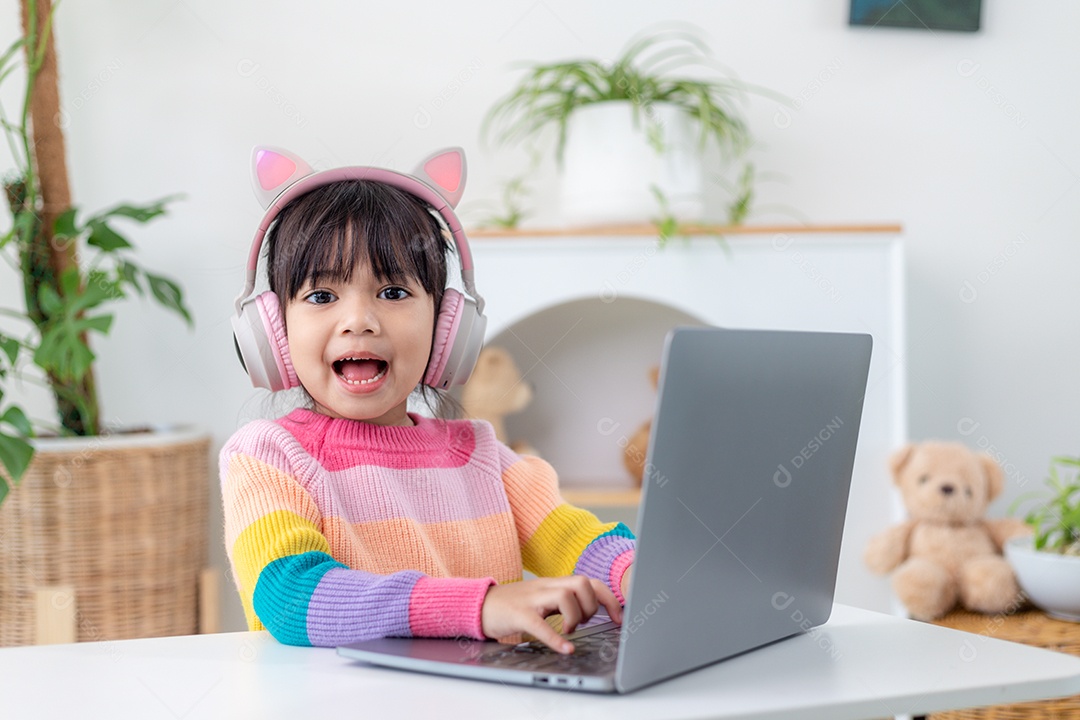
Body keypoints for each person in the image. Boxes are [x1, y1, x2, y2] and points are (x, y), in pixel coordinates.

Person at [222, 147, 635, 653]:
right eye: (322, 296)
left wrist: (635, 572)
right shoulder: (266, 457)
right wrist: (479, 607)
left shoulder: (483, 456)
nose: (360, 321)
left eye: (393, 293)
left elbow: (575, 538)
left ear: (446, 326)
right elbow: (290, 598)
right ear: (273, 331)